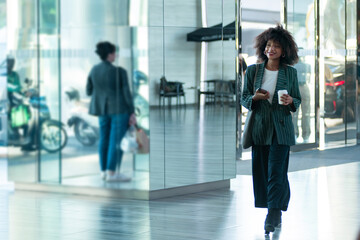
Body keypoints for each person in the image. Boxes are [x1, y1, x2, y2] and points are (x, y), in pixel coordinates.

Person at [241, 25, 301, 234]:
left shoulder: (290, 73)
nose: (271, 49)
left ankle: (273, 214)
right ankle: (274, 209)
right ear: (263, 48)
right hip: (260, 129)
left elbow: (297, 99)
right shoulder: (252, 71)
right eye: (268, 45)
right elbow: (244, 98)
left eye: (276, 46)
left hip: (282, 129)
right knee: (263, 172)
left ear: (284, 51)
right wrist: (254, 99)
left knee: (276, 171)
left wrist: (291, 100)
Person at [86, 41, 136, 182]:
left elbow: (89, 91)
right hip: (119, 110)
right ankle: (112, 173)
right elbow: (126, 94)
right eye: (115, 52)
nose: (116, 55)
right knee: (116, 141)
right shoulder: (119, 72)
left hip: (101, 110)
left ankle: (104, 171)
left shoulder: (94, 70)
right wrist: (132, 112)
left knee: (104, 139)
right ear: (110, 55)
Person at [293, 57, 311, 142]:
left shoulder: (295, 66)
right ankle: (304, 134)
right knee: (305, 113)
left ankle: (298, 134)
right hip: (302, 87)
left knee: (297, 113)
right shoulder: (307, 65)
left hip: (300, 87)